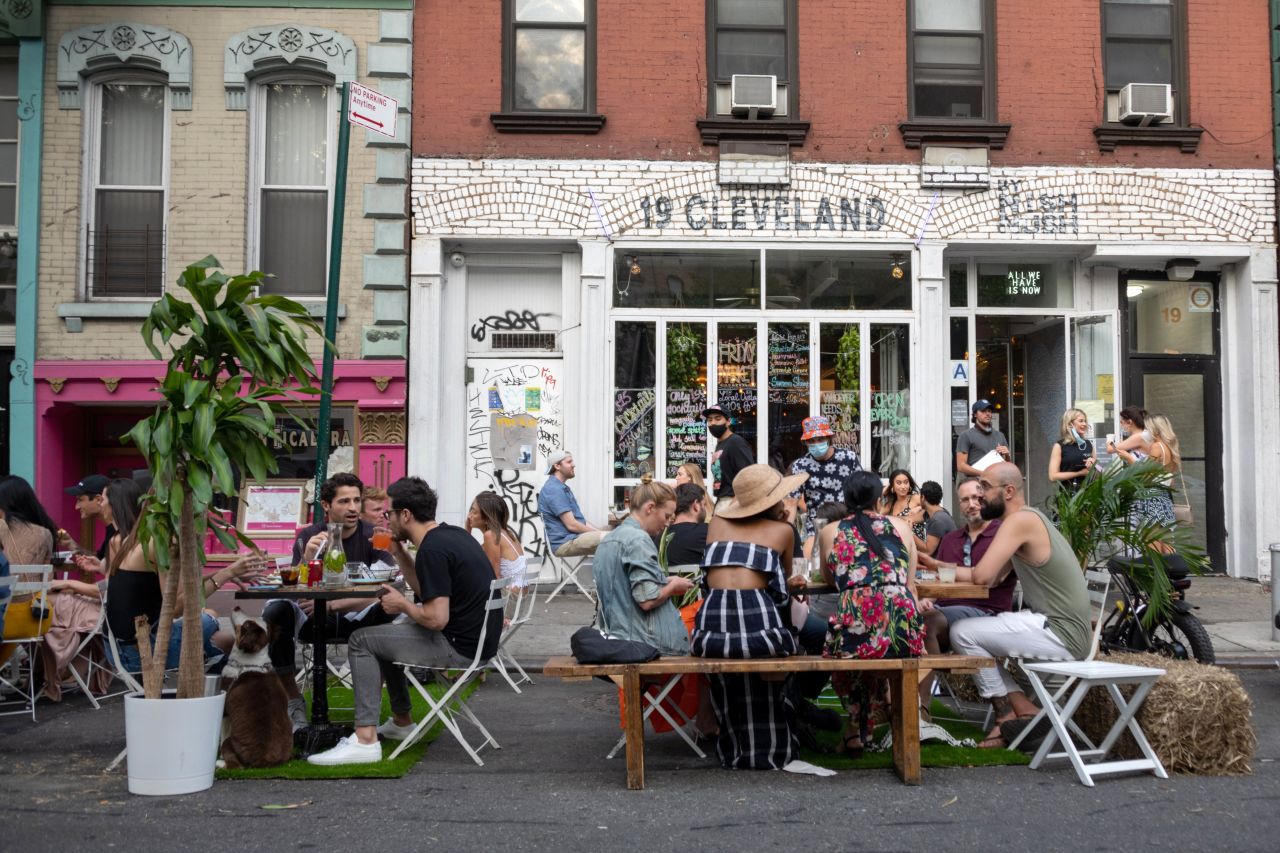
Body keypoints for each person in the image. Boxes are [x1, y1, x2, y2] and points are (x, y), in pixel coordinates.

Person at [307, 477, 504, 766]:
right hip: (479, 643)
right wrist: (399, 553)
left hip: (458, 647)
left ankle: (364, 740)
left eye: (390, 514)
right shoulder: (449, 536)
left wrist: (403, 604)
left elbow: (436, 618)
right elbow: (427, 591)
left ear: (406, 515)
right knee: (383, 635)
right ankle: (401, 721)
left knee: (361, 640)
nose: (387, 520)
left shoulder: (432, 550)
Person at [947, 462, 1093, 749]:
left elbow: (983, 576)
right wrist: (938, 566)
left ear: (1009, 491)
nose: (978, 497)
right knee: (967, 631)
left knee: (962, 631)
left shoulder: (1018, 522)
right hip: (1058, 627)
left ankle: (1012, 713)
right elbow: (992, 574)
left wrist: (945, 570)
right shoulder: (1027, 519)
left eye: (985, 488)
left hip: (1062, 634)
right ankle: (1023, 709)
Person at [693, 465, 806, 770]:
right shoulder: (783, 531)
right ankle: (781, 739)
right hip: (758, 631)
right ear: (773, 503)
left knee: (736, 672)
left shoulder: (716, 524)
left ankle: (735, 746)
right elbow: (781, 593)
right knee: (797, 643)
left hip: (710, 633)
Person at [86, 479, 259, 675]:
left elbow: (142, 588)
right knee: (210, 621)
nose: (100, 503)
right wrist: (228, 573)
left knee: (222, 640)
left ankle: (208, 691)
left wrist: (218, 575)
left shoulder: (117, 542)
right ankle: (219, 695)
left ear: (116, 504)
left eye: (103, 498)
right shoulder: (154, 543)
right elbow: (176, 607)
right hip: (142, 653)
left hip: (116, 650)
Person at [263, 472, 394, 729]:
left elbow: (385, 587)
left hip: (358, 619)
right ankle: (293, 700)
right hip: (313, 619)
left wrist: (337, 603)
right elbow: (293, 588)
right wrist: (307, 558)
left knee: (389, 608)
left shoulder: (375, 535)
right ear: (326, 505)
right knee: (276, 612)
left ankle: (368, 707)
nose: (353, 508)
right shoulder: (309, 536)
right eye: (344, 502)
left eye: (356, 501)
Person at [819, 470, 924, 755]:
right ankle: (882, 717)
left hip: (856, 616)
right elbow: (909, 583)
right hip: (901, 621)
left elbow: (830, 579)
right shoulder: (902, 527)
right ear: (880, 498)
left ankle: (855, 728)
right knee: (881, 650)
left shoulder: (830, 531)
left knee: (853, 656)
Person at [915, 479, 1015, 713]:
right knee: (912, 616)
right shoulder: (951, 539)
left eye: (977, 498)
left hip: (989, 613)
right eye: (965, 499)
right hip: (948, 612)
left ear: (986, 499)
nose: (972, 504)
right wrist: (928, 599)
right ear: (958, 504)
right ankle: (899, 705)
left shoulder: (1003, 535)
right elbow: (939, 580)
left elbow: (993, 580)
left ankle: (922, 709)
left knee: (926, 623)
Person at [592, 480, 693, 657]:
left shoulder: (609, 539)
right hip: (645, 643)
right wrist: (673, 587)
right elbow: (647, 600)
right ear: (650, 507)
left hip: (618, 637)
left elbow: (624, 586)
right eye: (666, 516)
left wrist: (663, 581)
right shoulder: (638, 540)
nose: (667, 523)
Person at [0, 476, 58, 665]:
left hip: (5, 621)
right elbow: (47, 583)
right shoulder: (46, 533)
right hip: (35, 621)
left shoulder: (1, 528)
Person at [787, 415, 862, 540]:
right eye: (811, 441)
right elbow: (791, 502)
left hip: (847, 524)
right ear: (805, 442)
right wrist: (787, 531)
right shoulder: (800, 466)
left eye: (820, 439)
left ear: (828, 438)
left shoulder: (849, 458)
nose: (816, 444)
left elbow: (860, 492)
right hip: (816, 527)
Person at [538, 450, 605, 558]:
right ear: (557, 466)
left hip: (573, 538)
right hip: (564, 543)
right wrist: (600, 535)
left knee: (612, 532)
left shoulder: (561, 488)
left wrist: (601, 532)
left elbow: (580, 521)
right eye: (569, 462)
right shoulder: (554, 489)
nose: (573, 465)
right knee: (616, 540)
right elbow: (572, 525)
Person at [466, 491, 527, 589]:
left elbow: (494, 575)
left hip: (509, 597)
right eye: (470, 510)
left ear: (487, 518)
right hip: (518, 594)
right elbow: (471, 555)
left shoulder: (490, 535)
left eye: (474, 512)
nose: (469, 516)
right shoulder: (505, 532)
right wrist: (468, 531)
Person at [702, 404, 754, 499]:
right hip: (722, 500)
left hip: (733, 502)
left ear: (728, 421)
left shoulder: (736, 442)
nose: (713, 423)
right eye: (709, 420)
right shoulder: (720, 444)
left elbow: (748, 475)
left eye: (718, 419)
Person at [59, 474, 115, 562]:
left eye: (80, 500)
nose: (76, 507)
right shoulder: (112, 529)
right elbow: (100, 561)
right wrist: (70, 543)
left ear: (98, 500)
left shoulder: (120, 530)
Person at [955, 399, 1011, 480]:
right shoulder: (966, 435)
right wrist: (984, 474)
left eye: (989, 411)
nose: (987, 414)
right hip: (975, 485)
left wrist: (1007, 455)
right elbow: (961, 466)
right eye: (983, 411)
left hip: (995, 485)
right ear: (975, 414)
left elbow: (1008, 466)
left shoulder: (1000, 435)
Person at [1048, 408, 1096, 493]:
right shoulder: (1060, 446)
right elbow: (1053, 476)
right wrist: (1079, 473)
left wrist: (1094, 465)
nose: (1084, 424)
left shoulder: (1088, 444)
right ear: (1070, 424)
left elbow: (1100, 471)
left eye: (1085, 421)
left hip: (1089, 494)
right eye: (1081, 421)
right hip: (1068, 497)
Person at [661, 483, 709, 567]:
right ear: (696, 505)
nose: (705, 509)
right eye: (704, 504)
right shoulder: (709, 532)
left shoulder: (660, 536)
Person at [878, 469, 926, 545]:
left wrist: (920, 508)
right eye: (898, 483)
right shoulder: (891, 504)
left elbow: (935, 510)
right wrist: (882, 494)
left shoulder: (916, 498)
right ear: (892, 485)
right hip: (899, 546)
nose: (903, 486)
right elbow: (877, 517)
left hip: (917, 547)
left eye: (906, 482)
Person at [916, 480, 955, 556]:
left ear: (923, 497)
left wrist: (910, 533)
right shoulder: (936, 512)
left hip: (945, 566)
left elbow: (928, 551)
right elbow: (911, 518)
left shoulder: (938, 520)